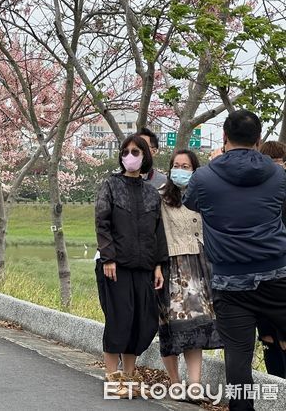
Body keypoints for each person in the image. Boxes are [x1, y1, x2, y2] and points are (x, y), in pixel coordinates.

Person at [183, 110, 286, 410]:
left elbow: (190, 201)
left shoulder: (204, 177)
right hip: (277, 274)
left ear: (225, 137)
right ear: (258, 138)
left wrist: (216, 164)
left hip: (230, 282)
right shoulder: (278, 174)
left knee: (238, 358)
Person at [95, 134, 168, 397]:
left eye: (136, 152)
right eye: (126, 151)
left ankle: (129, 374)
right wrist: (108, 258)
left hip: (145, 267)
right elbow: (102, 223)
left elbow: (159, 231)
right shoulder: (110, 186)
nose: (130, 156)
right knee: (119, 319)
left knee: (142, 321)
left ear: (145, 156)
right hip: (116, 266)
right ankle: (112, 376)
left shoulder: (151, 192)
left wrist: (159, 265)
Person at [158, 149, 223, 397]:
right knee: (171, 326)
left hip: (201, 266)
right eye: (176, 165)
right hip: (172, 267)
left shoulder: (205, 195)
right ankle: (175, 382)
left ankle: (194, 386)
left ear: (195, 169)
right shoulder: (161, 196)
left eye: (186, 166)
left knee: (196, 327)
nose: (180, 170)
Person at [256, 141, 286, 378]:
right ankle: (276, 386)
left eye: (280, 163)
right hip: (262, 272)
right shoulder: (255, 191)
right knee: (266, 334)